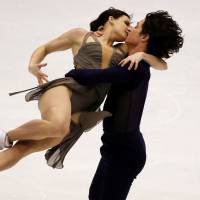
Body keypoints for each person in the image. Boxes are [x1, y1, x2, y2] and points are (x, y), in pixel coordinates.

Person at [0, 8, 166, 171]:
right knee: (58, 126)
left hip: (82, 110)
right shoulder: (81, 35)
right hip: (66, 90)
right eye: (126, 22)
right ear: (111, 19)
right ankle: (6, 136)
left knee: (22, 149)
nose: (129, 28)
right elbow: (45, 48)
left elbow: (162, 64)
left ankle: (7, 139)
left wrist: (143, 56)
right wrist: (32, 66)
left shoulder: (124, 50)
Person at [64, 10, 184, 200]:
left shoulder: (133, 69)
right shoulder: (131, 57)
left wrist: (73, 71)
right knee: (95, 196)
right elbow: (162, 63)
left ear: (144, 36)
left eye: (136, 27)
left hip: (125, 152)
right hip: (114, 146)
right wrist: (143, 54)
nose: (130, 28)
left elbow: (91, 77)